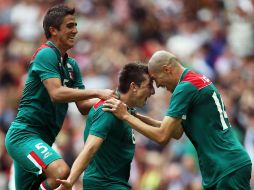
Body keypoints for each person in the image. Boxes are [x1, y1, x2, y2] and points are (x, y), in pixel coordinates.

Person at [103, 50, 252, 190]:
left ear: (167, 69)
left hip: (225, 166)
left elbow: (162, 136)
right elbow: (176, 131)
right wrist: (136, 116)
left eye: (156, 79)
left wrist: (125, 116)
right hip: (222, 165)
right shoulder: (195, 80)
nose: (158, 85)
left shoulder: (184, 88)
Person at [5, 4, 115, 190]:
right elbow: (56, 94)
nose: (76, 30)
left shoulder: (72, 65)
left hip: (43, 140)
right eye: (70, 26)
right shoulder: (46, 53)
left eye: (76, 25)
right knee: (61, 173)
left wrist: (111, 102)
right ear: (53, 30)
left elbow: (82, 106)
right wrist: (98, 92)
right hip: (24, 136)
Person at [55, 63, 155, 190]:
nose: (153, 91)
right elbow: (90, 149)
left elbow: (164, 133)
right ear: (133, 87)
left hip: (115, 184)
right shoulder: (108, 109)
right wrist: (70, 182)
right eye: (149, 86)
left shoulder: (124, 110)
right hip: (104, 185)